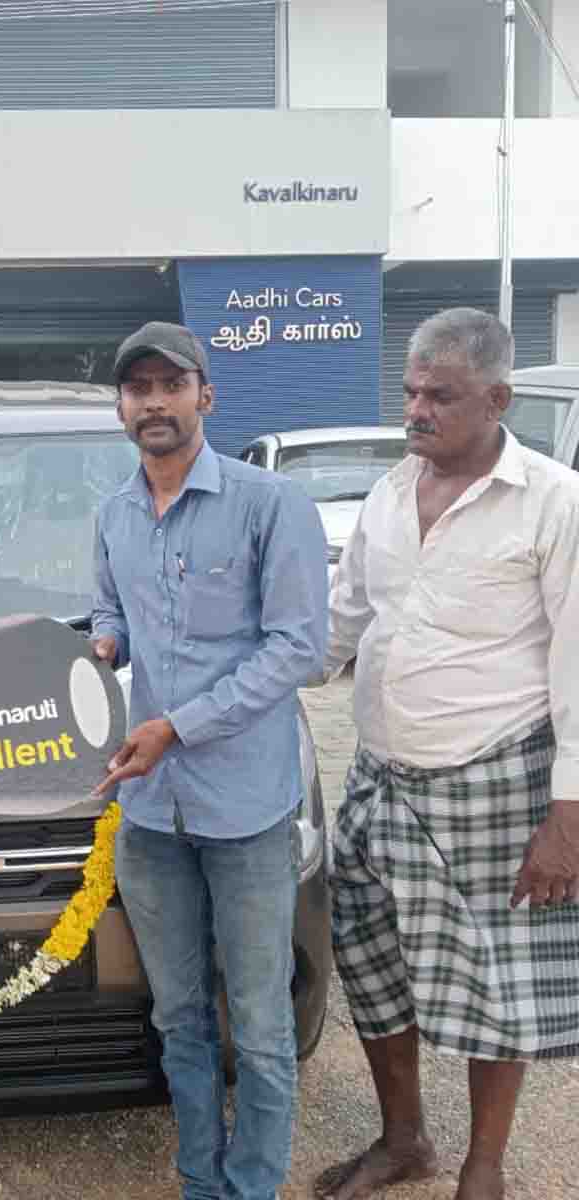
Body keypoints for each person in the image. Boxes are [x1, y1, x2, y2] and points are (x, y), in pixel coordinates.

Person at [315, 308, 579, 1200]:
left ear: (498, 400)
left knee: (494, 986)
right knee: (371, 965)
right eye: (411, 391)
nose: (417, 410)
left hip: (496, 781)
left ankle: (484, 1168)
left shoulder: (555, 501)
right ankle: (405, 1142)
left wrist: (567, 818)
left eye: (442, 395)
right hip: (379, 781)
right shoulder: (390, 491)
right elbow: (342, 624)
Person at [91, 321, 328, 1200]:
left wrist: (179, 727)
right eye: (138, 388)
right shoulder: (114, 514)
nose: (154, 402)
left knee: (260, 1023)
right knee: (178, 1015)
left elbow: (297, 647)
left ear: (205, 396)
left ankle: (253, 1185)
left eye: (171, 384)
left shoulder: (271, 505)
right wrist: (102, 648)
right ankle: (202, 1178)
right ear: (121, 407)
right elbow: (109, 610)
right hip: (151, 814)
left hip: (246, 811)